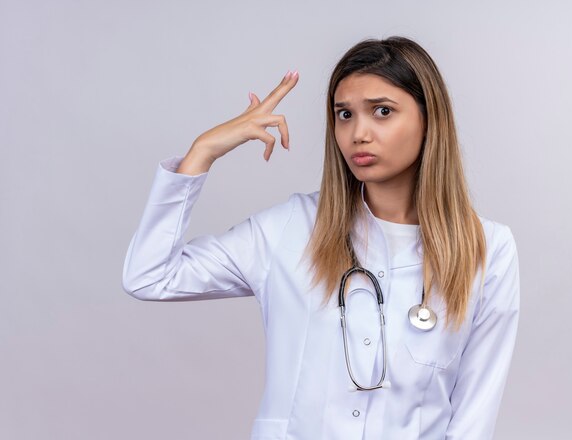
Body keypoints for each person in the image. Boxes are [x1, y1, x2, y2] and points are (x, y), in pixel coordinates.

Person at [122, 35, 520, 440]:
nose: (358, 133)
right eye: (344, 115)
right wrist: (201, 152)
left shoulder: (487, 249)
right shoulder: (289, 229)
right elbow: (150, 275)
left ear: (429, 119)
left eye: (382, 111)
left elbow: (474, 416)